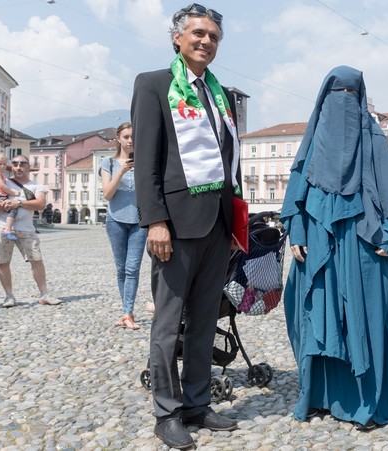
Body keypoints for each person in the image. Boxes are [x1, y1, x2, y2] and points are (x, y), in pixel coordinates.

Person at [132, 4, 241, 449]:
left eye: (214, 36)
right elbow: (147, 160)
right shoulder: (154, 85)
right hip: (174, 226)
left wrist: (236, 221)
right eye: (198, 33)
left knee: (204, 321)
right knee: (168, 323)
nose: (206, 41)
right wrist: (155, 219)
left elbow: (231, 160)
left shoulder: (222, 94)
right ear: (177, 38)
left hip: (217, 223)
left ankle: (197, 403)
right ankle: (167, 411)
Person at [281, 66, 388, 428]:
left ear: (361, 101)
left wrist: (387, 233)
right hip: (316, 245)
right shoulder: (312, 144)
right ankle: (321, 395)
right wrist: (296, 233)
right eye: (337, 95)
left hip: (364, 244)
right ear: (324, 100)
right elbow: (297, 195)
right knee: (318, 315)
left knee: (366, 315)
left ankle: (367, 397)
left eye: (352, 96)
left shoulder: (373, 139)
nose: (344, 103)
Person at [0, 155, 61, 308]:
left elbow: (40, 204)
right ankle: (9, 296)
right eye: (15, 164)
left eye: (22, 164)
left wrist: (18, 203)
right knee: (2, 262)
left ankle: (44, 294)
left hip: (26, 228)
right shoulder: (2, 180)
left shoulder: (36, 186)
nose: (18, 167)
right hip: (0, 226)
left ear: (29, 167)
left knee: (36, 260)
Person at [99, 122, 150, 329]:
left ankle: (128, 313)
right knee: (121, 269)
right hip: (116, 221)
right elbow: (107, 194)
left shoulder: (145, 163)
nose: (130, 141)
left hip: (139, 221)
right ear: (118, 138)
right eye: (127, 137)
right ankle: (125, 310)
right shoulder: (108, 163)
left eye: (134, 137)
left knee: (132, 268)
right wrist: (122, 171)